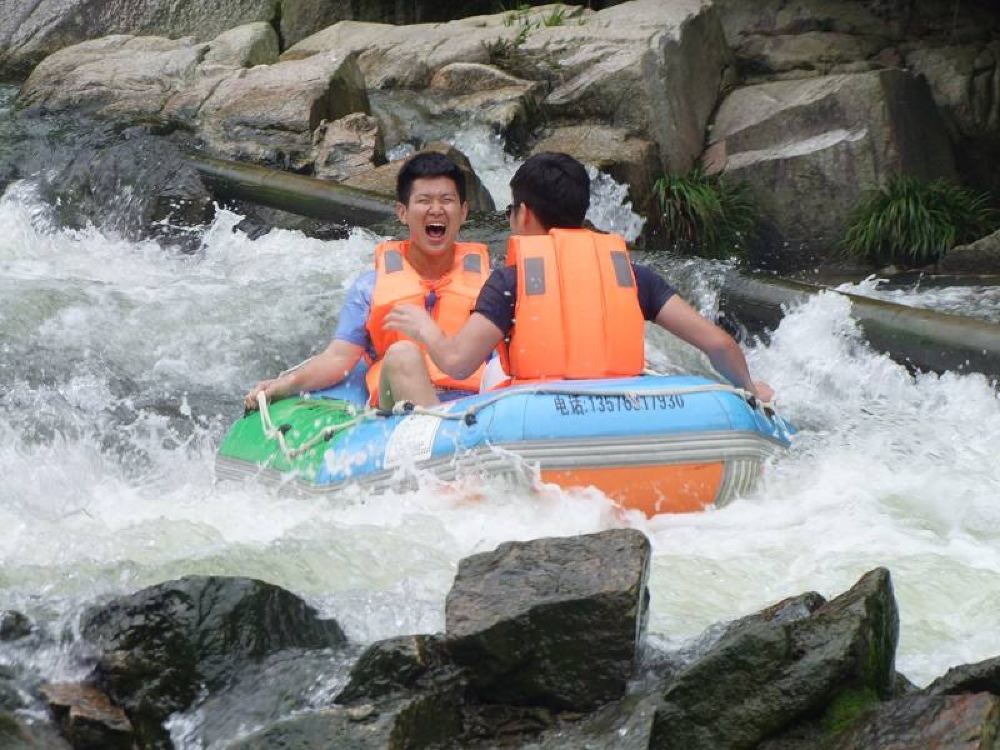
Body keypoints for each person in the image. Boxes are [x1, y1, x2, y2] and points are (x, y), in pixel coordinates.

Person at [383, 151, 774, 403]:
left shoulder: (510, 282)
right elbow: (720, 344)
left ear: (525, 215)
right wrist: (749, 389)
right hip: (623, 413)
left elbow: (457, 363)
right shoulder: (634, 276)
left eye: (512, 210)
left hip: (537, 420)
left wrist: (425, 330)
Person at [244, 151, 490, 411]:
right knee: (402, 354)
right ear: (403, 212)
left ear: (463, 212)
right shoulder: (369, 287)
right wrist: (285, 384)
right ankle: (439, 438)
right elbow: (339, 358)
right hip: (400, 408)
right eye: (424, 200)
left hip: (474, 409)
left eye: (447, 200)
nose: (436, 209)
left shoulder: (490, 286)